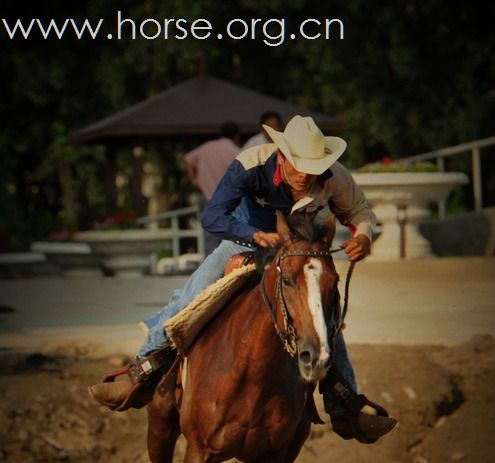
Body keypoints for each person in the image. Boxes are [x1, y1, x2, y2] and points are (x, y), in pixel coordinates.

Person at [89, 116, 396, 443]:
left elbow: (361, 211)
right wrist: (253, 233)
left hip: (302, 251)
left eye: (313, 167)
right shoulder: (250, 165)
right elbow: (213, 216)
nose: (306, 175)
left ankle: (345, 406)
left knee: (325, 315)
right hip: (244, 240)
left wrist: (363, 238)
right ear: (282, 156)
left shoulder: (334, 175)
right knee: (192, 294)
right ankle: (142, 371)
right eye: (299, 167)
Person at [184, 121, 240, 255]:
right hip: (227, 199)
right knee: (229, 234)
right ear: (236, 136)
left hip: (206, 195)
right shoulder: (235, 151)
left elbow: (187, 159)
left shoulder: (206, 147)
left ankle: (209, 267)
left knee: (208, 234)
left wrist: (194, 180)